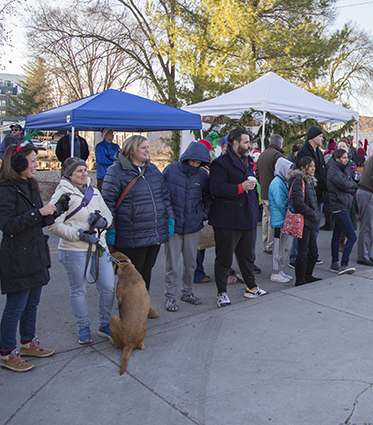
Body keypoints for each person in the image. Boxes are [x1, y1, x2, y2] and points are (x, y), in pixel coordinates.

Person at [0, 142, 64, 372]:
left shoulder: (29, 185)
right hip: (17, 256)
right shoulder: (3, 190)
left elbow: (37, 219)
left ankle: (28, 342)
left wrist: (55, 210)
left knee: (32, 303)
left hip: (34, 252)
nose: (36, 165)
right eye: (32, 161)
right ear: (18, 163)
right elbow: (7, 224)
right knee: (15, 306)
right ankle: (7, 353)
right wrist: (37, 213)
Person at [101, 135, 172, 318]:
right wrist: (111, 230)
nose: (148, 150)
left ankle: (144, 305)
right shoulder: (115, 172)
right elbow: (107, 204)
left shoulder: (153, 170)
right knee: (131, 277)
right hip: (131, 233)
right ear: (132, 150)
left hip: (154, 232)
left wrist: (169, 219)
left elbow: (165, 197)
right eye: (143, 148)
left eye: (148, 147)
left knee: (146, 271)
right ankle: (129, 312)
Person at [49, 157, 115, 344]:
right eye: (79, 170)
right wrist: (78, 234)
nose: (84, 173)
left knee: (108, 287)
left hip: (99, 246)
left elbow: (107, 213)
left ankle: (105, 323)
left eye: (85, 170)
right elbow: (54, 225)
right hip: (75, 249)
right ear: (69, 174)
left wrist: (104, 223)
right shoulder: (62, 194)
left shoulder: (94, 192)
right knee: (79, 290)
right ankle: (83, 327)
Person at [209, 128, 267, 307]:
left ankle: (251, 287)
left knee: (248, 256)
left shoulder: (247, 161)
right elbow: (215, 189)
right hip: (227, 219)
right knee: (224, 258)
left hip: (247, 217)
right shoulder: (220, 163)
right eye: (246, 142)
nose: (249, 146)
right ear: (235, 143)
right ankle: (221, 292)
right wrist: (240, 187)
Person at [162, 141, 212, 311]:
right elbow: (162, 194)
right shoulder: (170, 170)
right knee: (172, 265)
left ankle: (187, 292)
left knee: (191, 263)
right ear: (187, 158)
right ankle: (170, 296)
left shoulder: (203, 175)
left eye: (199, 163)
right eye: (193, 161)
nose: (196, 165)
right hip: (173, 225)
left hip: (192, 225)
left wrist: (204, 214)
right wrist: (167, 217)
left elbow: (208, 197)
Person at [291, 126, 326, 266]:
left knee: (315, 227)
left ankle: (312, 253)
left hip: (318, 194)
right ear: (313, 137)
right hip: (308, 194)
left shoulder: (319, 152)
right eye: (320, 136)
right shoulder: (304, 152)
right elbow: (305, 172)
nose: (322, 138)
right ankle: (295, 257)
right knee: (303, 228)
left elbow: (322, 171)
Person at [289, 156, 322, 285]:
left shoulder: (310, 181)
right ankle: (300, 279)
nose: (313, 168)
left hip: (310, 221)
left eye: (314, 166)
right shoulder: (299, 181)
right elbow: (298, 203)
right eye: (311, 166)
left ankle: (308, 276)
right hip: (304, 221)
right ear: (303, 168)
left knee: (313, 251)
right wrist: (312, 213)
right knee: (303, 251)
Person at [326, 149, 358, 275]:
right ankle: (344, 264)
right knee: (352, 236)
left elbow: (349, 182)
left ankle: (334, 263)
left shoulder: (342, 169)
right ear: (337, 158)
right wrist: (352, 185)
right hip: (338, 206)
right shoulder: (333, 170)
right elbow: (345, 184)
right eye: (344, 158)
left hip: (343, 204)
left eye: (347, 157)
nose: (346, 160)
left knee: (337, 235)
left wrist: (351, 184)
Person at [256, 134, 284, 255]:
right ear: (280, 144)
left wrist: (262, 183)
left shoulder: (263, 154)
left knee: (266, 219)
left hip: (264, 191)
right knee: (273, 219)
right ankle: (270, 245)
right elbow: (280, 175)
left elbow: (257, 172)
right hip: (273, 192)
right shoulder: (277, 155)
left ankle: (265, 243)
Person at [268, 158, 294, 284]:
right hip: (280, 221)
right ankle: (276, 272)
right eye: (289, 168)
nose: (290, 171)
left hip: (282, 220)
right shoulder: (277, 183)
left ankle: (280, 270)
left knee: (283, 247)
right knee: (279, 247)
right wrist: (290, 214)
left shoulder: (281, 181)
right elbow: (281, 203)